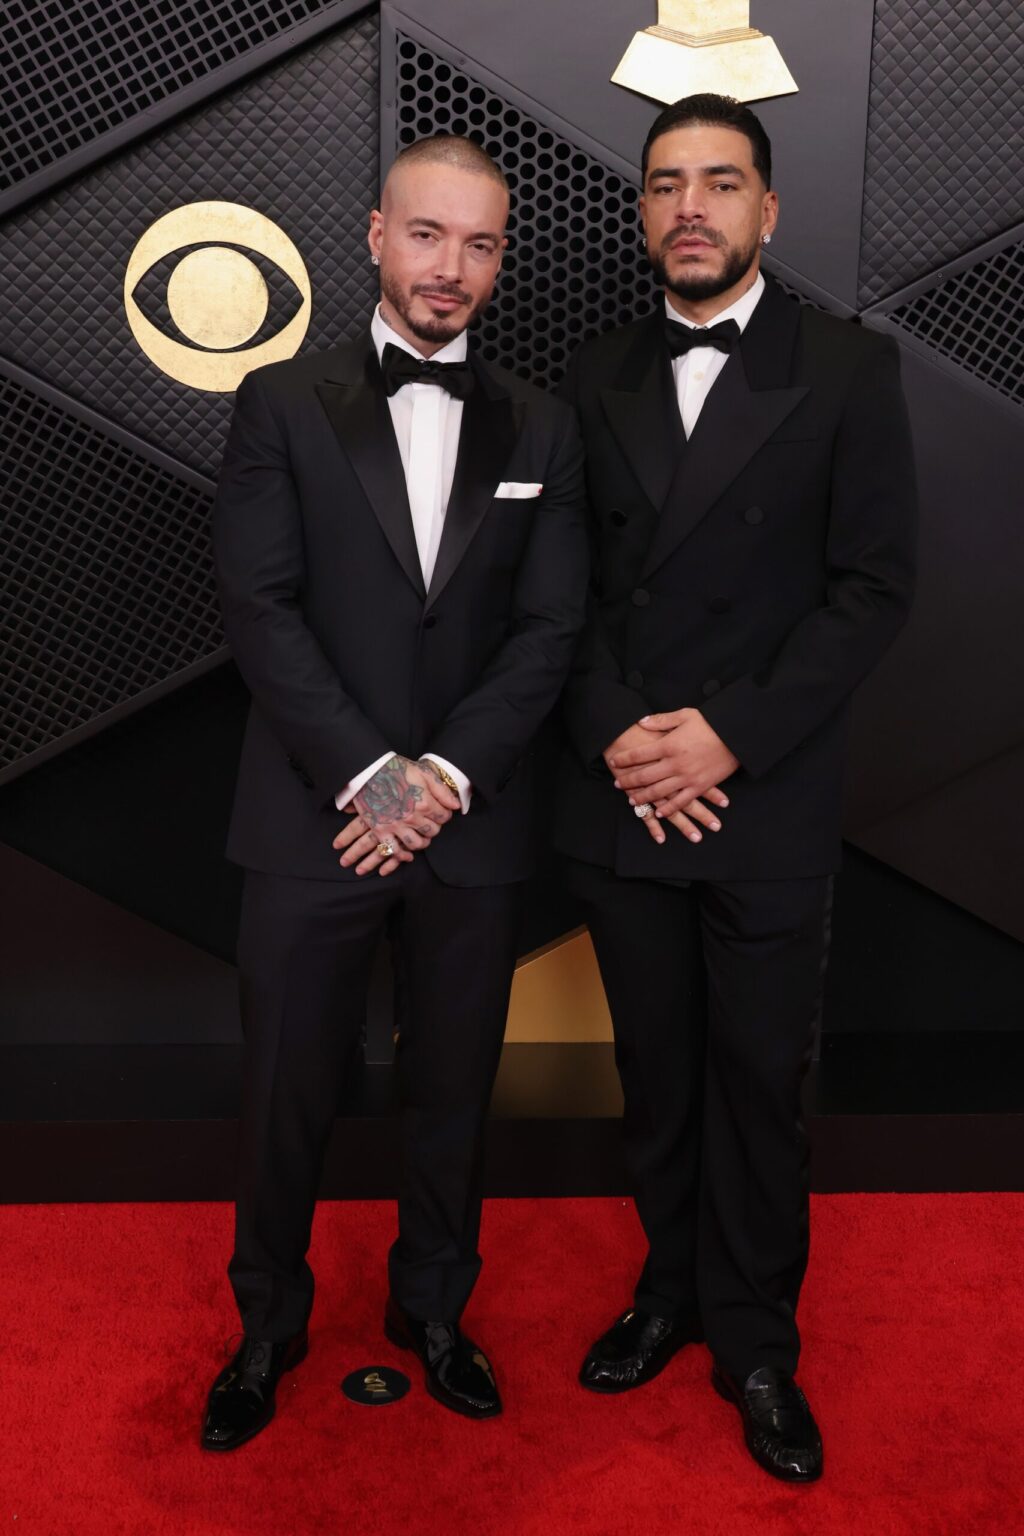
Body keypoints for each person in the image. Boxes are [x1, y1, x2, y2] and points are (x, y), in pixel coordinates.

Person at [202, 134, 588, 1451]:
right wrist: (372, 778)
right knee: (284, 1093)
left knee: (454, 1087)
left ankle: (434, 1311)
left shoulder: (543, 426)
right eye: (429, 236)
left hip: (466, 827)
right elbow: (261, 607)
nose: (452, 269)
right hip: (317, 818)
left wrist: (442, 780)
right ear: (375, 234)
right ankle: (266, 1326)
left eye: (481, 244)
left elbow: (551, 628)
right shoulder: (281, 402)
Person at [555, 93, 916, 1482]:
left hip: (755, 791)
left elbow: (871, 588)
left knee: (759, 1076)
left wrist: (724, 738)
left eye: (719, 181)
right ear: (641, 211)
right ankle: (669, 1290)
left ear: (770, 208)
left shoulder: (848, 368)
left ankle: (757, 1338)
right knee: (656, 1072)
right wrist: (625, 739)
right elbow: (562, 595)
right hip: (627, 790)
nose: (689, 206)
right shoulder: (593, 374)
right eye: (664, 184)